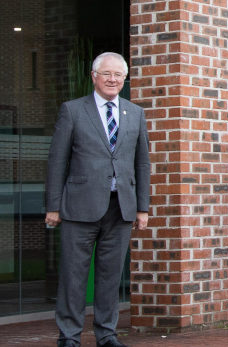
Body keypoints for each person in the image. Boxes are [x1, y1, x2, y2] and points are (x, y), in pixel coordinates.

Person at [46, 52, 150, 347]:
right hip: (78, 206)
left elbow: (142, 164)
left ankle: (107, 335)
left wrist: (143, 207)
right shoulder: (73, 110)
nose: (112, 79)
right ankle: (68, 336)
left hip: (121, 207)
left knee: (110, 277)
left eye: (118, 75)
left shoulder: (135, 113)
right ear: (94, 76)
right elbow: (57, 161)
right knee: (73, 276)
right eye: (106, 74)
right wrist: (53, 206)